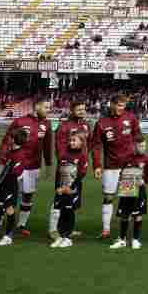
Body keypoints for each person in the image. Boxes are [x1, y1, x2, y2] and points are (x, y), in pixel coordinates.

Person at [0, 97, 52, 238]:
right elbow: (6, 141)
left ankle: (21, 225)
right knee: (8, 195)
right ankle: (1, 223)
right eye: (46, 107)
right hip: (14, 164)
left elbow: (47, 146)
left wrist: (49, 165)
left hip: (33, 166)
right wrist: (1, 160)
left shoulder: (47, 124)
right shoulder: (20, 121)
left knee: (28, 195)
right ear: (37, 106)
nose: (48, 110)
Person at [91, 94, 141, 240]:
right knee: (108, 197)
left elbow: (139, 139)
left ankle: (127, 229)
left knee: (128, 197)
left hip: (129, 167)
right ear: (111, 104)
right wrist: (97, 165)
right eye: (119, 105)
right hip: (110, 166)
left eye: (123, 106)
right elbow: (96, 146)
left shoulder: (131, 118)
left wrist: (139, 162)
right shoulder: (102, 122)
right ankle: (106, 229)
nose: (121, 108)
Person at [50, 100, 91, 240]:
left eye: (83, 109)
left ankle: (69, 228)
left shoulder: (86, 125)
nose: (82, 111)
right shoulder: (64, 126)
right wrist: (67, 161)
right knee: (60, 198)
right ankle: (53, 229)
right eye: (79, 109)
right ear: (72, 110)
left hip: (79, 167)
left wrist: (82, 160)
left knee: (72, 199)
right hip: (66, 168)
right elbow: (59, 148)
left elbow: (88, 145)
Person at [111, 136, 148, 250]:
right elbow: (122, 173)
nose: (142, 148)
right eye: (140, 146)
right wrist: (121, 181)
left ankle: (135, 239)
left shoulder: (147, 159)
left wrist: (144, 181)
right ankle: (122, 239)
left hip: (139, 191)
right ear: (134, 146)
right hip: (127, 189)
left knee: (138, 215)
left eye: (144, 146)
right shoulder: (127, 158)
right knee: (124, 215)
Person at [51, 133, 88, 249]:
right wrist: (57, 187)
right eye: (70, 140)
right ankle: (61, 236)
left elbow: (81, 174)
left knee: (69, 211)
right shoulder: (63, 155)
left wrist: (71, 188)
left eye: (74, 140)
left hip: (73, 190)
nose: (71, 142)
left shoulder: (82, 156)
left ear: (81, 142)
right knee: (61, 212)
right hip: (61, 189)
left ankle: (67, 238)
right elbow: (58, 173)